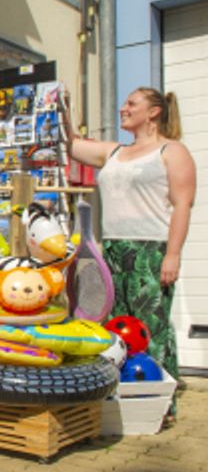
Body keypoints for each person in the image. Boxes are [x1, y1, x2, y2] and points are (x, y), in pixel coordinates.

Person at [62, 87, 196, 425]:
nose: (123, 108)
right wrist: (62, 105)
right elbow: (73, 145)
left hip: (150, 250)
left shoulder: (172, 151)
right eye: (123, 102)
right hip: (112, 249)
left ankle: (159, 405)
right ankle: (122, 397)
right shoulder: (114, 152)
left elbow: (183, 204)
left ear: (153, 112)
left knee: (151, 327)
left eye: (132, 103)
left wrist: (173, 254)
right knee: (116, 327)